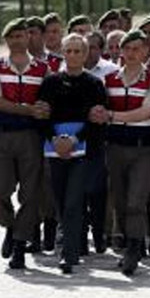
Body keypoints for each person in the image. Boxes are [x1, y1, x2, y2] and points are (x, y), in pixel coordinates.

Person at [35, 33, 108, 274]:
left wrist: (75, 140)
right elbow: (42, 115)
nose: (73, 55)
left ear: (86, 54)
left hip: (83, 149)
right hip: (55, 149)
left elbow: (97, 120)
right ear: (63, 54)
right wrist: (54, 139)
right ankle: (69, 242)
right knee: (60, 198)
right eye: (69, 51)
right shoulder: (51, 82)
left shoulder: (94, 84)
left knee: (74, 200)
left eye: (78, 51)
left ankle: (69, 253)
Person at [0, 18, 51, 270]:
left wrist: (40, 111)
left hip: (32, 138)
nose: (17, 41)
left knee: (30, 193)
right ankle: (10, 226)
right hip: (3, 136)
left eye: (21, 36)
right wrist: (29, 110)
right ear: (6, 40)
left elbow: (48, 100)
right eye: (12, 37)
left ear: (28, 38)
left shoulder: (42, 69)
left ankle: (20, 245)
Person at [102, 30, 150, 276]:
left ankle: (135, 248)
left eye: (137, 49)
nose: (132, 53)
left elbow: (145, 112)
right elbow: (100, 109)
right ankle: (129, 242)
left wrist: (113, 116)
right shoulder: (110, 80)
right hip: (115, 149)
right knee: (120, 202)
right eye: (127, 49)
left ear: (145, 51)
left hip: (141, 150)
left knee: (136, 201)